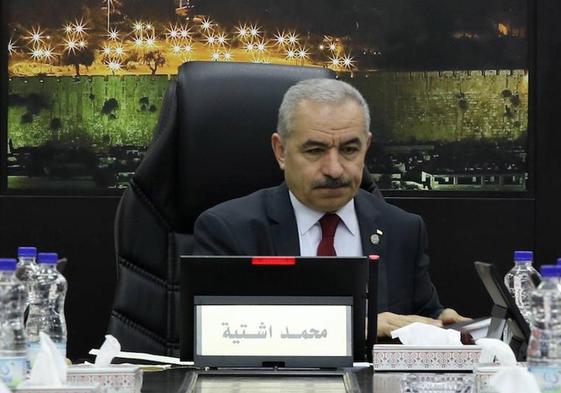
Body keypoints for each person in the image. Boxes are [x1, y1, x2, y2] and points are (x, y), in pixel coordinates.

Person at [193, 78, 469, 337]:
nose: (334, 169)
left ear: (367, 147)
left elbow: (420, 314)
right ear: (281, 151)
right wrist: (356, 327)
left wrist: (442, 322)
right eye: (315, 151)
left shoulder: (402, 229)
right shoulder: (230, 230)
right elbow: (220, 334)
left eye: (349, 150)